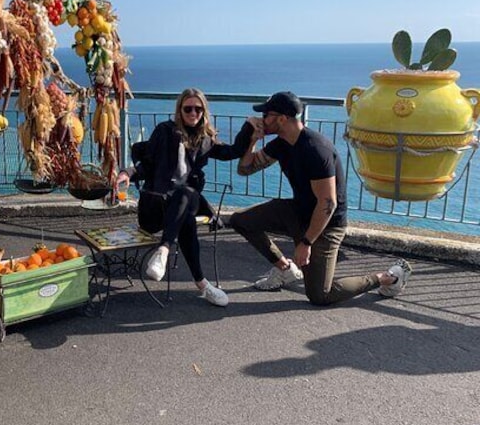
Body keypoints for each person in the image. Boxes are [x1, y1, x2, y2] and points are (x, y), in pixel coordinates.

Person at [228, 91, 412, 305]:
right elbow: (245, 169)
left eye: (266, 115)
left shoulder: (315, 149)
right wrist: (252, 140)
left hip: (327, 225)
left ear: (282, 119)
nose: (261, 120)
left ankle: (390, 277)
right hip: (298, 211)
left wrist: (306, 243)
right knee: (240, 220)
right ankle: (285, 269)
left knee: (320, 295)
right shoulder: (281, 143)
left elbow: (328, 203)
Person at [116, 88, 261, 307]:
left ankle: (164, 252)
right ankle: (202, 284)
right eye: (188, 108)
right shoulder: (164, 131)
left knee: (185, 196)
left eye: (198, 109)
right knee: (185, 213)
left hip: (181, 204)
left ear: (204, 111)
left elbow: (232, 152)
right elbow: (148, 162)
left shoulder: (205, 140)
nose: (193, 113)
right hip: (154, 209)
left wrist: (249, 126)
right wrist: (128, 172)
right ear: (180, 110)